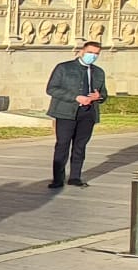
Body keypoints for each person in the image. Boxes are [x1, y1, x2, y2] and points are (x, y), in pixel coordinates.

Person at [45, 40, 106, 188]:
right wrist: (75, 97)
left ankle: (75, 177)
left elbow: (104, 93)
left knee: (80, 146)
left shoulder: (98, 72)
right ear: (82, 52)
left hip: (87, 113)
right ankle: (58, 179)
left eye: (96, 54)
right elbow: (51, 89)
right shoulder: (64, 68)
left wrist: (99, 97)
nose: (93, 56)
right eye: (90, 52)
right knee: (62, 145)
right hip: (66, 113)